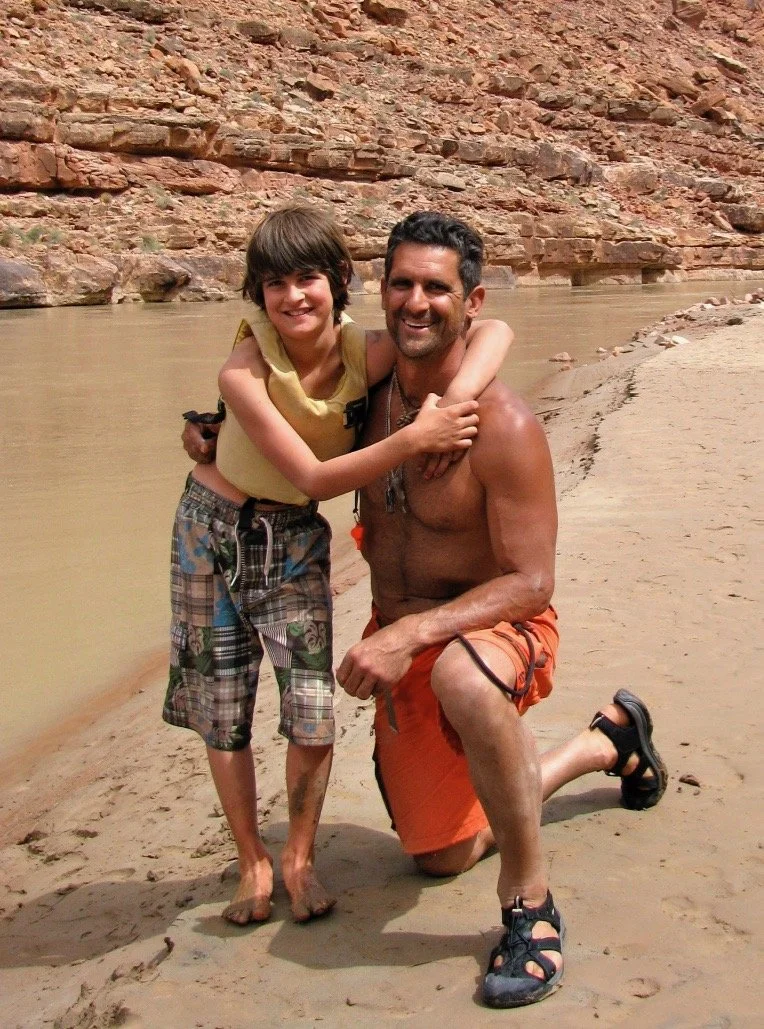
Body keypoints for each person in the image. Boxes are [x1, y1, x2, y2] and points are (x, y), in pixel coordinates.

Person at [334, 211, 667, 1008]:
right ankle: (605, 742)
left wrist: (413, 631)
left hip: (497, 629)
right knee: (439, 855)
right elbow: (278, 388)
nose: (417, 302)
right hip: (404, 642)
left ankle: (531, 906)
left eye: (437, 287)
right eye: (403, 283)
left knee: (462, 677)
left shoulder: (503, 426)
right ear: (381, 290)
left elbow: (533, 581)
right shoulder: (365, 398)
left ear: (472, 300)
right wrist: (214, 442)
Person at [166, 204, 514, 928]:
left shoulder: (368, 352)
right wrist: (419, 438)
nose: (293, 297)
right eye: (274, 284)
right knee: (222, 710)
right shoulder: (244, 370)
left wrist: (453, 400)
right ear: (255, 295)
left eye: (308, 279)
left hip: (292, 539)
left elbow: (497, 329)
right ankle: (250, 859)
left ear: (339, 282)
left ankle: (297, 853)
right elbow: (319, 478)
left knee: (312, 710)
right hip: (210, 532)